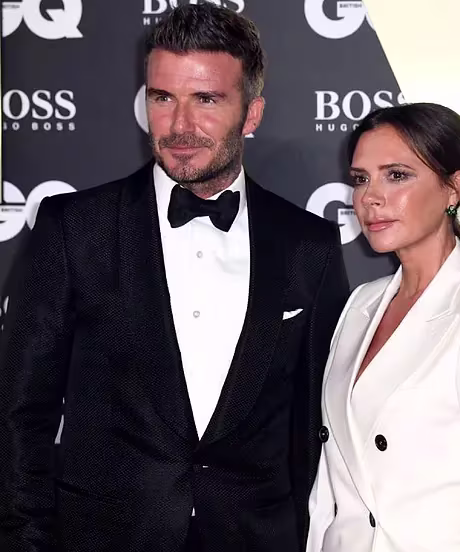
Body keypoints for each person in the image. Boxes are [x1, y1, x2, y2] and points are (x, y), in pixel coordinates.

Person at [0, 4, 349, 551]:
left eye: (206, 99)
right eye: (163, 98)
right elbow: (20, 412)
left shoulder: (309, 245)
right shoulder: (75, 228)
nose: (180, 125)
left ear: (251, 114)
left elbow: (316, 426)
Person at [305, 103, 460, 552]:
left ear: (453, 189)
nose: (370, 197)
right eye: (361, 179)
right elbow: (331, 486)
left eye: (396, 175)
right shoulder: (360, 306)